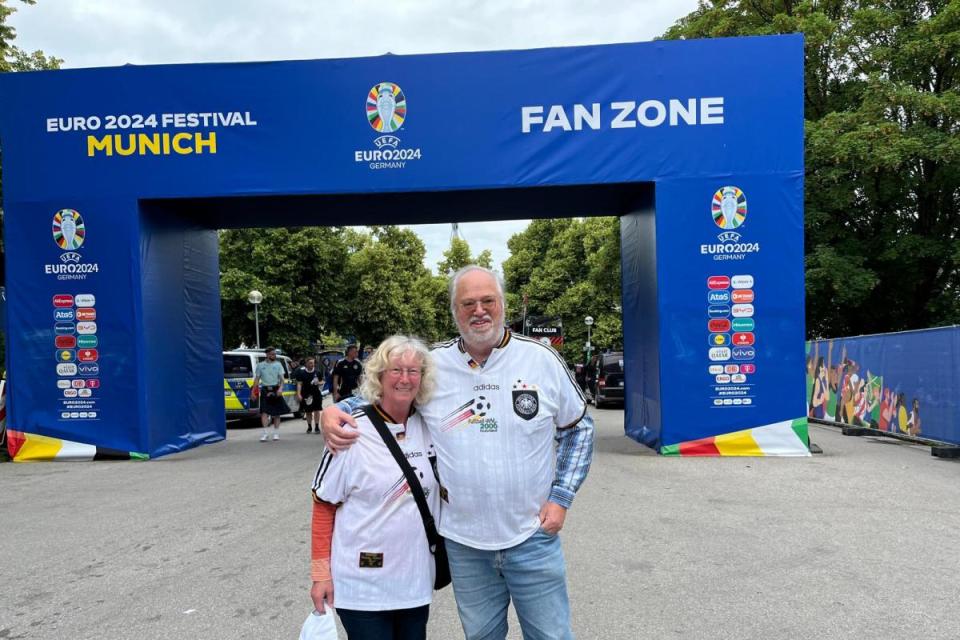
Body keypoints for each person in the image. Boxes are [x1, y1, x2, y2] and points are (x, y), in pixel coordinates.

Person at [323, 265, 594, 640]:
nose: (479, 310)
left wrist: (561, 497)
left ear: (503, 304)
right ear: (454, 311)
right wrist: (334, 410)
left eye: (488, 301)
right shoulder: (434, 365)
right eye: (468, 303)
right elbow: (386, 393)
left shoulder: (540, 360)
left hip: (532, 537)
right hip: (465, 545)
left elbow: (579, 428)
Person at [310, 336, 439, 639]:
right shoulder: (350, 431)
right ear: (379, 375)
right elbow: (324, 503)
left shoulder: (429, 427)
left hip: (414, 585)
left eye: (413, 371)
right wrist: (320, 575)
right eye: (395, 370)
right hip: (362, 588)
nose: (405, 379)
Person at [252, 347, 289, 442]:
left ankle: (276, 433)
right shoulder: (260, 365)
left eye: (275, 354)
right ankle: (265, 434)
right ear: (267, 355)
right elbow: (257, 379)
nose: (274, 356)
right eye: (272, 354)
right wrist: (253, 391)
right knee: (264, 412)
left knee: (276, 413)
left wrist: (281, 388)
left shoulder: (278, 364)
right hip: (265, 389)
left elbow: (282, 379)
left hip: (276, 389)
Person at [297, 357, 325, 433]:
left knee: (316, 410)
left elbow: (322, 381)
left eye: (313, 363)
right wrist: (299, 394)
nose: (312, 364)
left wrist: (318, 383)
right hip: (306, 394)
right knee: (308, 411)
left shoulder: (317, 372)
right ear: (306, 363)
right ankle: (309, 426)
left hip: (316, 394)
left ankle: (316, 426)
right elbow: (299, 384)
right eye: (310, 363)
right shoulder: (301, 373)